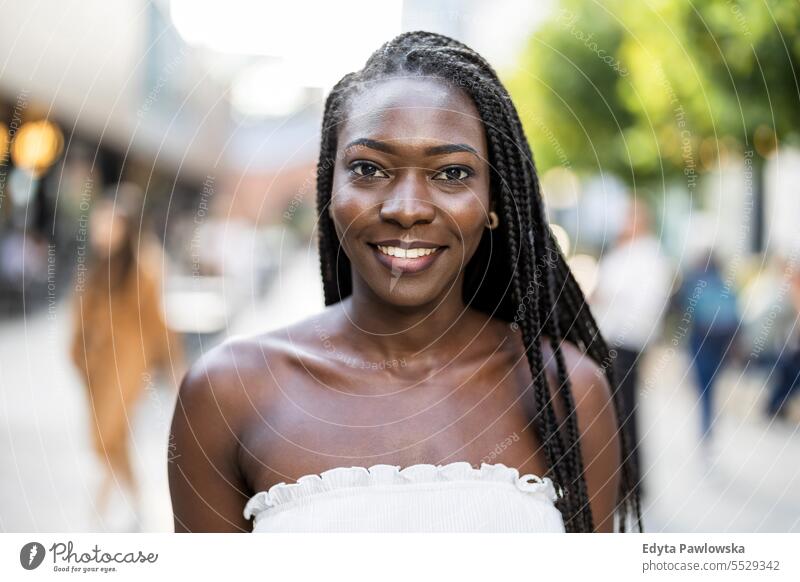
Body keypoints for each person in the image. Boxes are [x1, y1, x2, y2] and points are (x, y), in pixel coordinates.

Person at [169, 31, 642, 533]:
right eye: (369, 168)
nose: (407, 209)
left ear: (496, 204)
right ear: (330, 190)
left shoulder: (566, 389)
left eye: (452, 173)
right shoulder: (227, 392)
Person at [70, 185, 183, 528]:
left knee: (111, 434)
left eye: (111, 223)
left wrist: (176, 369)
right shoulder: (96, 267)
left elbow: (160, 323)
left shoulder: (146, 268)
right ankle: (128, 500)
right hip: (96, 365)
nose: (103, 229)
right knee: (108, 440)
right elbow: (79, 315)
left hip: (129, 365)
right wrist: (80, 352)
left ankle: (104, 508)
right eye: (101, 222)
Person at [591, 199, 672, 496]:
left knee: (625, 410)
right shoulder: (623, 251)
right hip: (610, 337)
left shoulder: (649, 255)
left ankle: (631, 481)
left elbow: (647, 301)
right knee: (614, 409)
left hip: (628, 341)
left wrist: (611, 296)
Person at [678, 253, 740, 445]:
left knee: (703, 385)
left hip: (702, 338)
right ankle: (708, 422)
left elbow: (685, 309)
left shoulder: (696, 283)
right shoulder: (725, 284)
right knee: (710, 384)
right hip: (720, 341)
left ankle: (706, 424)